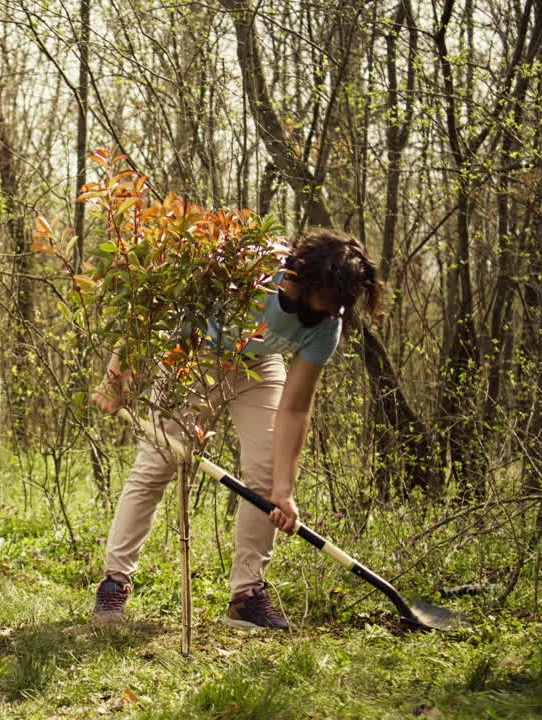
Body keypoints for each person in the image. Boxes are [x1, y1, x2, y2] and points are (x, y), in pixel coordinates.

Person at [89, 227, 384, 630]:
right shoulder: (253, 266)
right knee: (156, 466)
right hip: (194, 353)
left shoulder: (328, 325)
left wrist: (284, 491)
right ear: (307, 277)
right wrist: (115, 374)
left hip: (259, 364)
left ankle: (246, 598)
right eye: (334, 298)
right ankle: (113, 585)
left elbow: (295, 410)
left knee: (265, 476)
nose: (337, 311)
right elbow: (154, 303)